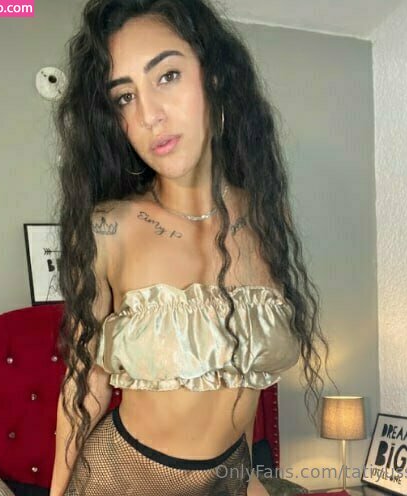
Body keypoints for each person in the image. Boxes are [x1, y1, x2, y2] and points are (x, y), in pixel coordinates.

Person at [49, 1, 335, 495]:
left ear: (215, 78)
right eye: (125, 97)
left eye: (167, 76)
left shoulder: (266, 216)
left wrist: (246, 478)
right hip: (123, 480)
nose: (149, 115)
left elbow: (242, 370)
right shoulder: (108, 229)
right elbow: (84, 383)